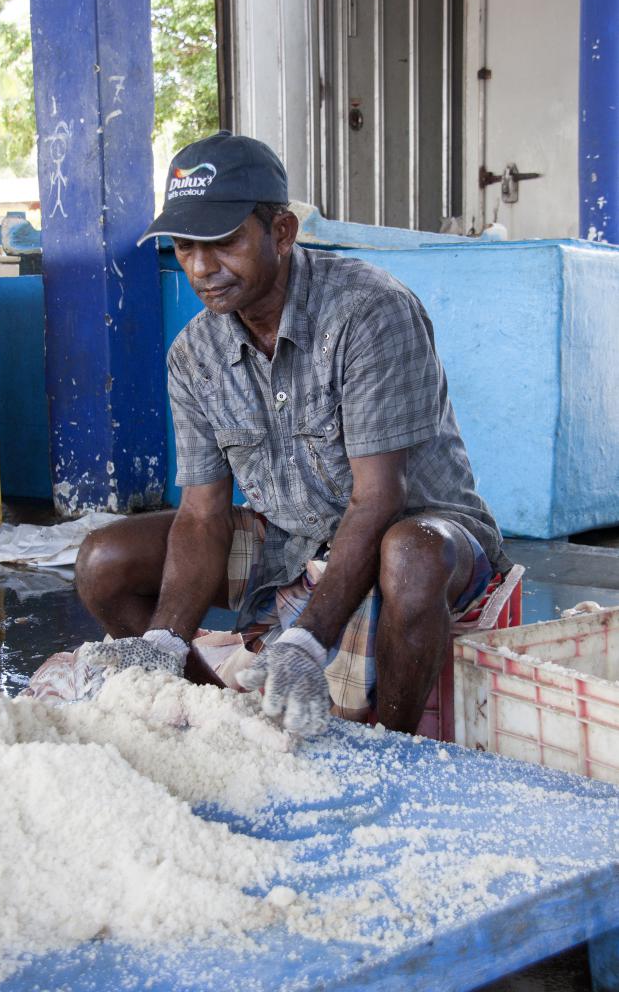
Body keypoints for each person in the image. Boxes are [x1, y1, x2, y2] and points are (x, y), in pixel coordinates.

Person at [75, 130, 512, 738]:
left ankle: (392, 748)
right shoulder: (194, 356)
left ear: (281, 232)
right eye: (184, 246)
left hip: (423, 536)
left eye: (224, 243)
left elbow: (379, 498)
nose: (201, 268)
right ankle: (226, 716)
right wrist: (164, 640)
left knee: (410, 553)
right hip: (288, 541)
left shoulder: (368, 312)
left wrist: (307, 642)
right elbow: (203, 515)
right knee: (104, 561)